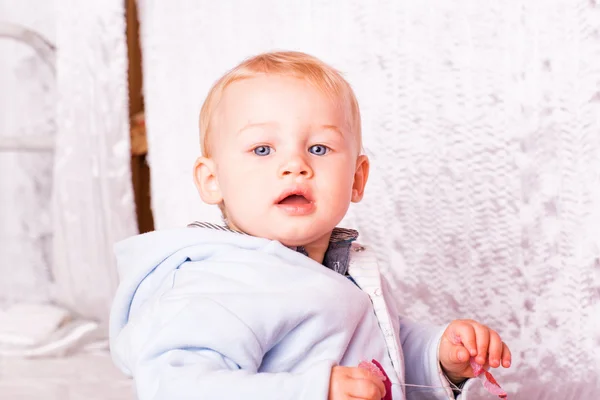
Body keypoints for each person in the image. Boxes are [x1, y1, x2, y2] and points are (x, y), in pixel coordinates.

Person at [109, 51, 511, 400]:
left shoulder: (344, 269)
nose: (295, 165)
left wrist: (438, 354)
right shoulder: (218, 282)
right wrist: (310, 391)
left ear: (356, 178)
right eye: (262, 149)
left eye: (319, 148)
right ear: (212, 181)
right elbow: (174, 386)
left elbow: (377, 351)